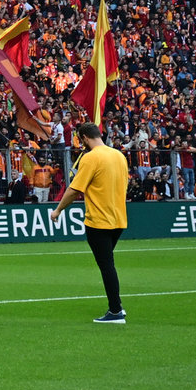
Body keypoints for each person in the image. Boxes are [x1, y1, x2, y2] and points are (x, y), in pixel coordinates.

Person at [51, 121, 130, 324]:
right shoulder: (119, 155)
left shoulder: (90, 158)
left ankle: (115, 310)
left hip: (98, 220)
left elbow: (75, 189)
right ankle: (117, 306)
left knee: (106, 265)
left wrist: (58, 210)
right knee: (108, 263)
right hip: (119, 219)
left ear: (85, 137)